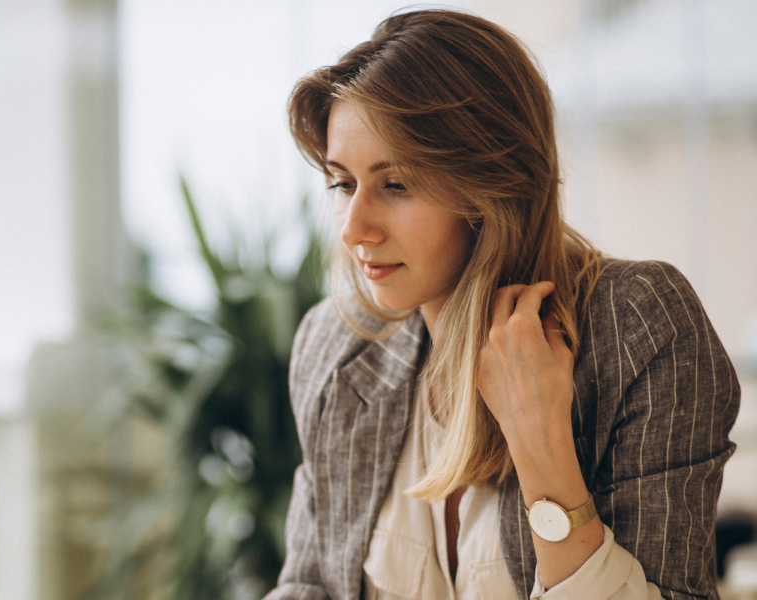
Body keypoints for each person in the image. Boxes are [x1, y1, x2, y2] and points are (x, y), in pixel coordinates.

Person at [263, 9, 740, 600]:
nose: (354, 228)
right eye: (342, 183)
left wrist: (541, 444)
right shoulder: (335, 343)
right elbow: (310, 583)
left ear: (492, 186)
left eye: (396, 185)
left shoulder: (639, 326)